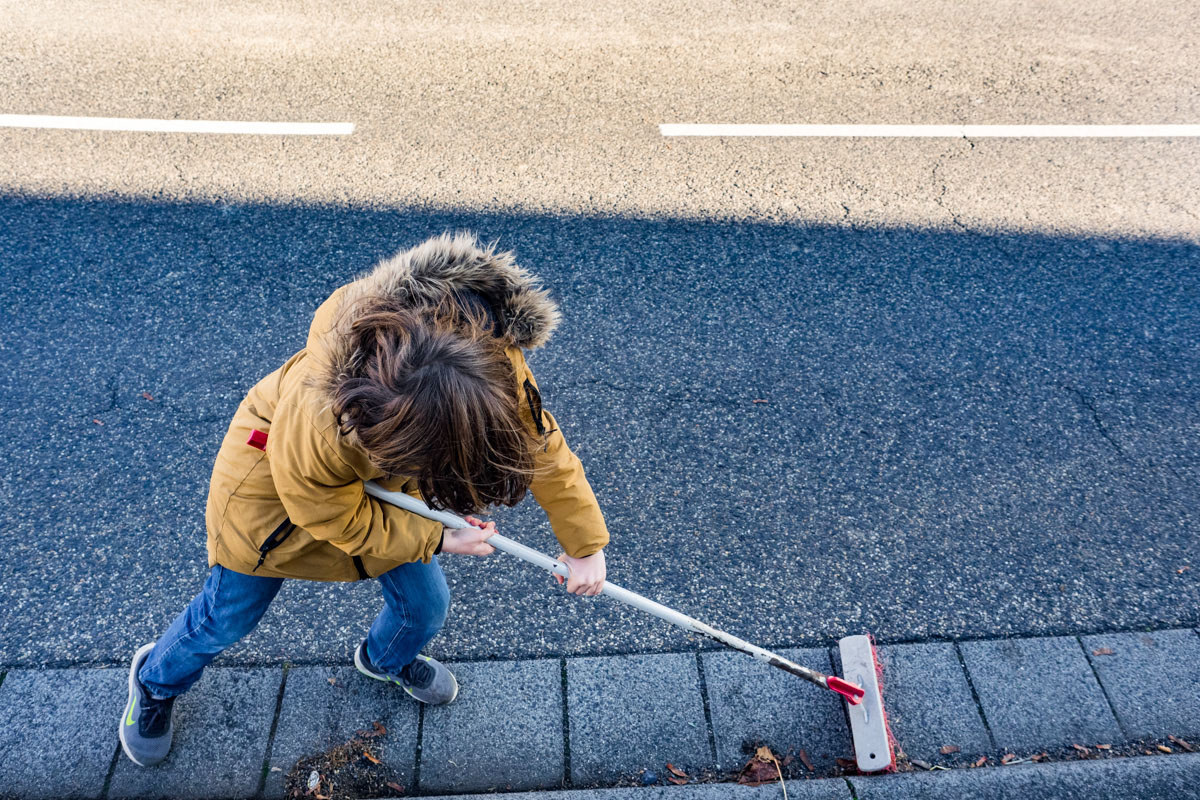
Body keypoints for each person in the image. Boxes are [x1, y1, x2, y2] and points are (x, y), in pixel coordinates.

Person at [119, 232, 609, 766]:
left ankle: (384, 659)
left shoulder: (484, 360)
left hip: (393, 485)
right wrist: (437, 537)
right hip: (274, 501)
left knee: (425, 605)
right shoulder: (320, 421)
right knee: (227, 617)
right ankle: (155, 680)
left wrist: (585, 544)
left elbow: (542, 448)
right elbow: (327, 512)